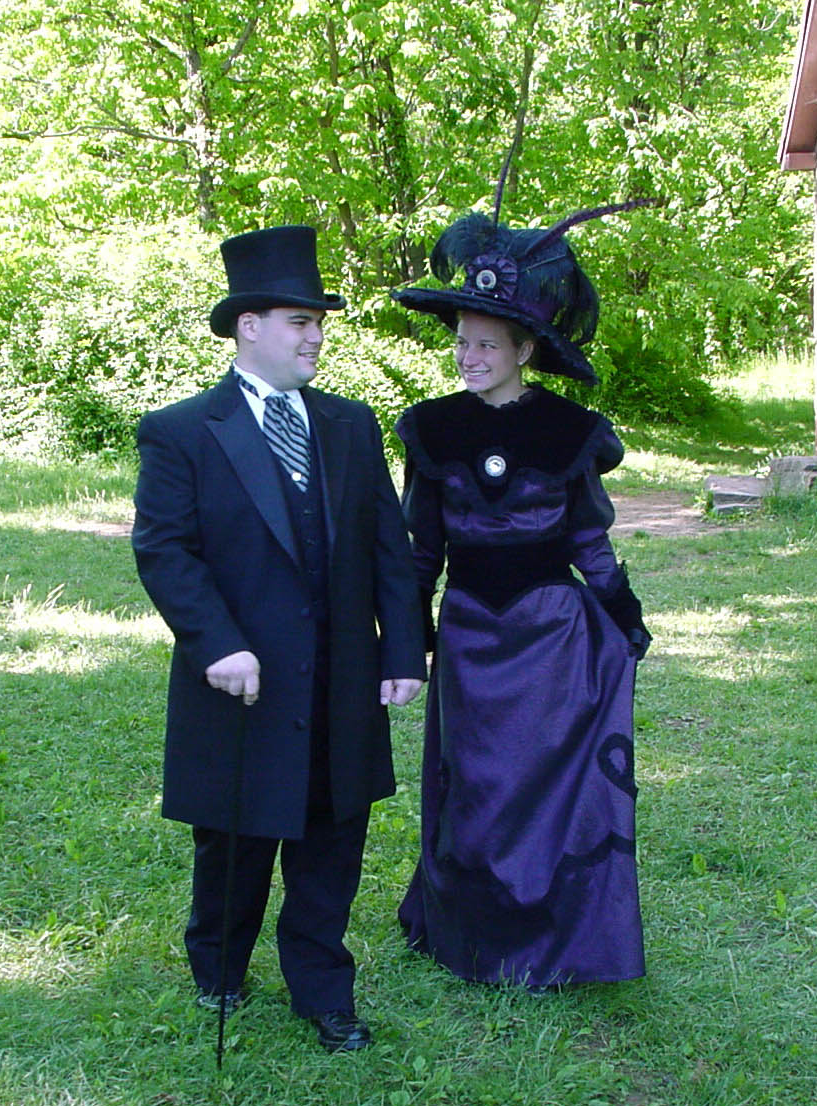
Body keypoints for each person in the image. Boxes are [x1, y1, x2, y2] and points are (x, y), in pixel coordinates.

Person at [131, 224, 425, 1052]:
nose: (316, 336)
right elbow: (166, 549)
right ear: (249, 326)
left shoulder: (351, 425)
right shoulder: (183, 431)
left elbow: (389, 546)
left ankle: (324, 990)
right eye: (300, 321)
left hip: (341, 675)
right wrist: (216, 643)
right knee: (237, 836)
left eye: (319, 322)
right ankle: (219, 966)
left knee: (334, 834)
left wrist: (403, 649)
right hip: (242, 676)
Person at [389, 208, 653, 990]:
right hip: (470, 635)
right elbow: (420, 554)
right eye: (462, 342)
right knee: (476, 783)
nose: (469, 357)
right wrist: (409, 638)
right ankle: (475, 931)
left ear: (523, 351)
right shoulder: (433, 430)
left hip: (551, 640)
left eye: (486, 345)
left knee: (543, 784)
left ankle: (552, 933)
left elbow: (589, 543)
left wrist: (625, 620)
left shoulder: (570, 431)